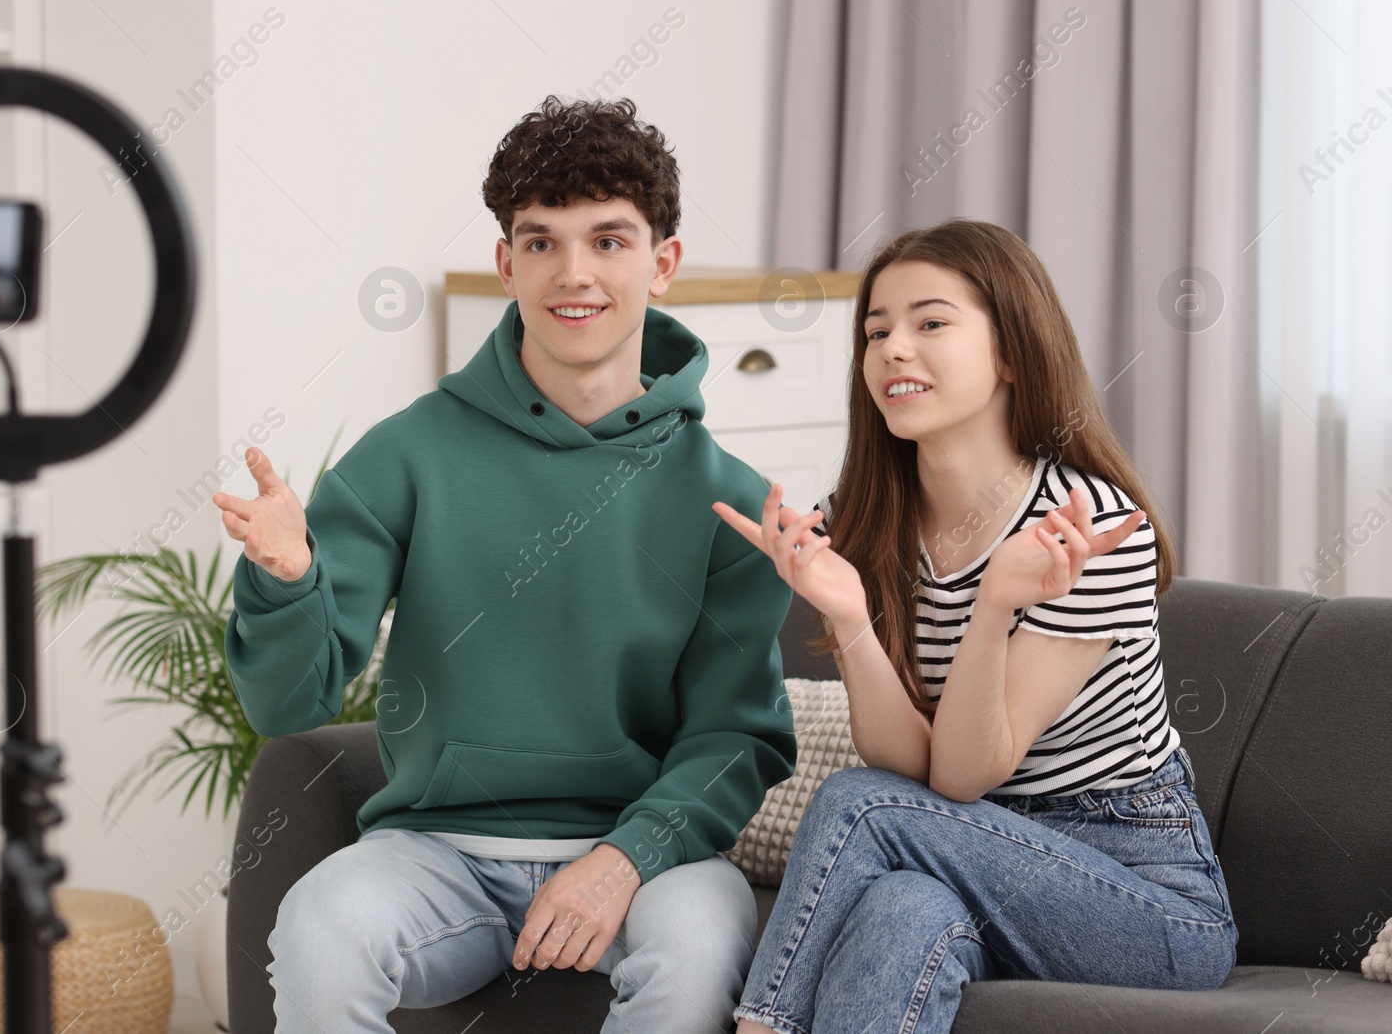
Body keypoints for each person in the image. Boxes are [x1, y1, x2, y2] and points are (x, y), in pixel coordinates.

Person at [213, 95, 798, 1034]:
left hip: (644, 861)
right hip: (434, 853)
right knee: (321, 924)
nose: (575, 274)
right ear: (506, 262)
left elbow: (737, 735)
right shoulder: (406, 455)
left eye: (609, 241)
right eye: (541, 242)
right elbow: (288, 706)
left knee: (698, 946)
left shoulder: (727, 495)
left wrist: (626, 858)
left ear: (664, 262)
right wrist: (287, 580)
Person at [714, 219, 1239, 1034]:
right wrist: (849, 616)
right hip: (968, 856)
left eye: (930, 322)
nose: (893, 348)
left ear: (1009, 353)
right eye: (876, 330)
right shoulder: (868, 522)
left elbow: (960, 777)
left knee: (859, 804)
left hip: (1143, 894)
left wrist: (995, 603)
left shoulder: (1088, 526)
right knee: (901, 906)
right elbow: (917, 766)